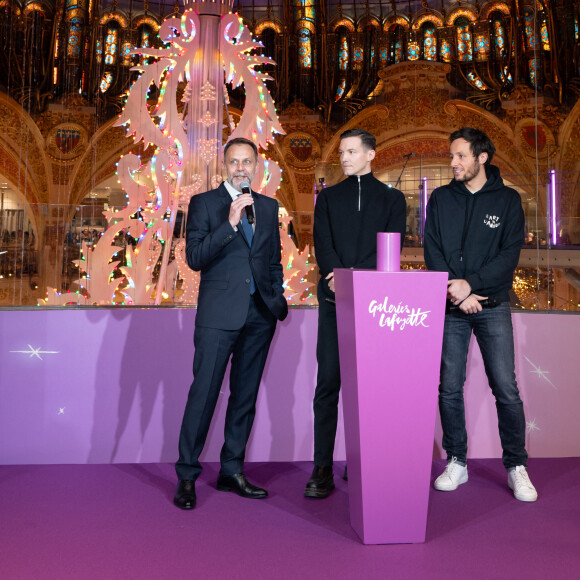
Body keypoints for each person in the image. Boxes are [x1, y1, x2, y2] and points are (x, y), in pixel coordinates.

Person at [424, 127, 537, 502]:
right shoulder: (440, 199)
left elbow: (508, 258)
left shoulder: (507, 201)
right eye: (452, 155)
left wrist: (469, 285)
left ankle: (516, 466)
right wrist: (457, 294)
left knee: (505, 388)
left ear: (481, 158)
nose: (452, 162)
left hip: (493, 306)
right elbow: (433, 249)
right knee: (449, 387)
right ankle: (457, 460)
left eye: (460, 156)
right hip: (451, 308)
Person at [174, 137, 288, 510]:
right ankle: (187, 475)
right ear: (225, 166)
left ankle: (231, 470)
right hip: (218, 317)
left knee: (245, 397)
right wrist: (230, 223)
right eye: (234, 162)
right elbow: (194, 257)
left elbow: (272, 259)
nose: (241, 168)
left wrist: (276, 298)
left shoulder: (269, 207)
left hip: (260, 316)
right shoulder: (205, 203)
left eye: (247, 162)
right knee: (204, 394)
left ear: (256, 166)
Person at [306, 128, 406, 498]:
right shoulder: (328, 199)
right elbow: (323, 244)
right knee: (328, 383)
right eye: (342, 152)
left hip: (376, 306)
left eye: (351, 151)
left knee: (371, 388)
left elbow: (391, 248)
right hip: (333, 301)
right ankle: (321, 467)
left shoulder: (393, 200)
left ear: (371, 154)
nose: (344, 158)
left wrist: (358, 280)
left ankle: (364, 460)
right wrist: (337, 277)